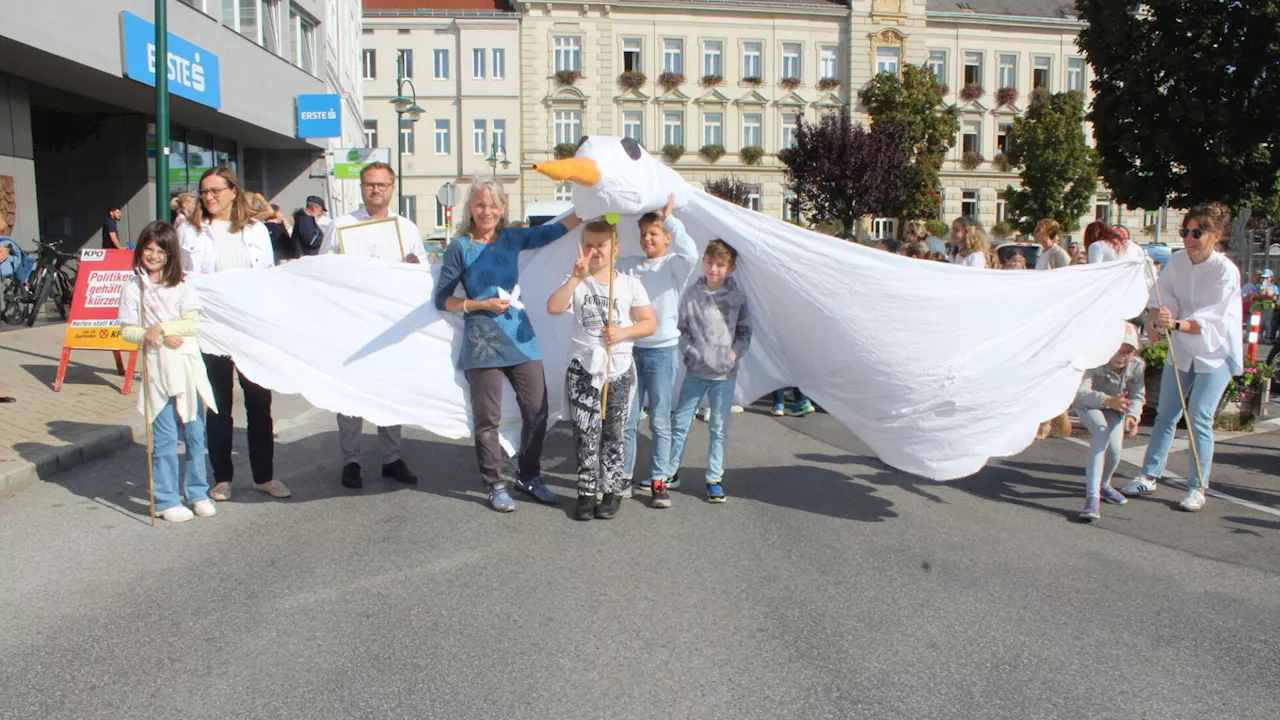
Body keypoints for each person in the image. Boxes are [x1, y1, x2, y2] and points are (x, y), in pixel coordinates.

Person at [433, 178, 582, 512]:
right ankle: (494, 484)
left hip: (521, 336)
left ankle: (528, 475)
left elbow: (554, 231)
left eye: (493, 205)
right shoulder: (460, 247)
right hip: (481, 341)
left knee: (538, 411)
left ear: (502, 209)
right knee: (488, 420)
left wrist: (591, 208)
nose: (487, 211)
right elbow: (442, 299)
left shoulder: (513, 238)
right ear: (470, 208)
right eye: (480, 204)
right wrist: (480, 305)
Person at [1121, 204, 1243, 512]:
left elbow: (1211, 319)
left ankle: (1198, 487)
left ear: (1215, 236)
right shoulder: (1176, 261)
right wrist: (1154, 317)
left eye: (1196, 233)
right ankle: (1149, 474)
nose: (1189, 238)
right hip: (1183, 349)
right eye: (1185, 231)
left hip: (1215, 352)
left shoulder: (1225, 271)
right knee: (1166, 414)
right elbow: (1162, 297)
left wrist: (1174, 324)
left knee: (1200, 417)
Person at [180, 167, 289, 502]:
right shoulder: (190, 230)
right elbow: (183, 276)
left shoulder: (255, 230)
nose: (209, 197)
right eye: (204, 192)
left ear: (232, 191)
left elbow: (265, 277)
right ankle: (222, 478)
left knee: (258, 403)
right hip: (212, 327)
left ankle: (264, 476)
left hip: (249, 328)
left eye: (215, 191)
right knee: (218, 404)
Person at [319, 162, 427, 490]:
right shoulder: (342, 225)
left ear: (392, 188)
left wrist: (413, 266)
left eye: (381, 185)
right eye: (369, 184)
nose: (375, 190)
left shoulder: (405, 228)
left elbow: (422, 274)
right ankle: (351, 460)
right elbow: (320, 268)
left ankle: (391, 458)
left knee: (389, 390)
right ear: (362, 187)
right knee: (350, 393)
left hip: (390, 325)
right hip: (353, 323)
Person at [547, 220, 656, 520]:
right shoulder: (577, 281)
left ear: (615, 249)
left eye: (602, 245)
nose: (595, 250)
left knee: (614, 432)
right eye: (590, 245)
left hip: (618, 367)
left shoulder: (631, 284)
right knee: (585, 432)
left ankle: (611, 490)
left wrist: (623, 333)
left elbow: (649, 323)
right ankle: (585, 491)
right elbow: (553, 307)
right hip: (583, 366)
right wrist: (574, 278)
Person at [118, 221, 219, 523]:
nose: (153, 256)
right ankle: (165, 499)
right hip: (156, 367)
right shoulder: (132, 287)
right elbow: (127, 331)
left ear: (170, 253)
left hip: (186, 364)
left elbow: (192, 324)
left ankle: (197, 492)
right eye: (148, 249)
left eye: (160, 251)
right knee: (163, 437)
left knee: (195, 433)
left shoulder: (182, 284)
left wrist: (162, 326)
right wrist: (156, 337)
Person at [615, 194, 697, 497]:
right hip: (631, 350)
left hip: (662, 351)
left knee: (660, 420)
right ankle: (623, 476)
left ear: (666, 238)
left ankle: (660, 478)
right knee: (628, 418)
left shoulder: (675, 265)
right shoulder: (630, 266)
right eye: (643, 234)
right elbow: (607, 258)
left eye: (653, 234)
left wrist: (670, 217)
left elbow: (691, 253)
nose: (647, 239)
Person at [666, 239, 752, 507]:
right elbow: (681, 329)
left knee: (718, 428)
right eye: (709, 262)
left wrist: (733, 354)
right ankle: (670, 472)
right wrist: (693, 353)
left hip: (724, 375)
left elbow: (745, 332)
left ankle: (714, 478)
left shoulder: (737, 298)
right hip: (696, 371)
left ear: (731, 268)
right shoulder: (692, 294)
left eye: (720, 264)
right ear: (703, 262)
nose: (713, 268)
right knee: (680, 423)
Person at [1074, 323, 1145, 522]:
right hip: (1089, 404)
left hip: (1115, 408)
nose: (1122, 356)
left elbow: (1138, 395)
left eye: (1128, 352)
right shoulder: (1093, 360)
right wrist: (1107, 400)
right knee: (1101, 433)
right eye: (1119, 350)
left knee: (1115, 449)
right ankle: (1092, 497)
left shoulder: (1137, 366)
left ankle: (1104, 485)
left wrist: (1133, 416)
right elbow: (1080, 393)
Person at [1250, 268, 1277, 342]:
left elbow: (1274, 298)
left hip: (1268, 307)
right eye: (1264, 277)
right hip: (1259, 306)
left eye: (1267, 277)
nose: (1265, 279)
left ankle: (1268, 338)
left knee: (1267, 322)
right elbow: (1255, 296)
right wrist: (1263, 295)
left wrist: (1269, 295)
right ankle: (1259, 337)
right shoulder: (1258, 286)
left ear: (1271, 277)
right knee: (1259, 322)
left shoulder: (1274, 287)